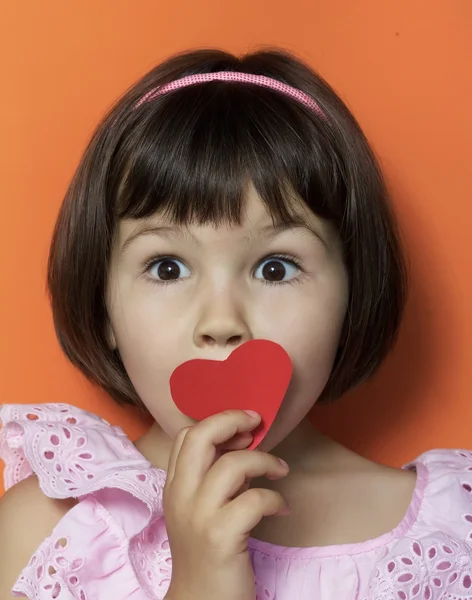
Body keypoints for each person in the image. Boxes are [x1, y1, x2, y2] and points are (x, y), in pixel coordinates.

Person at [0, 47, 471, 600]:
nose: (221, 323)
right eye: (167, 267)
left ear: (354, 293)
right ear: (103, 304)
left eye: (276, 268)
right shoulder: (51, 531)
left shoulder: (452, 534)